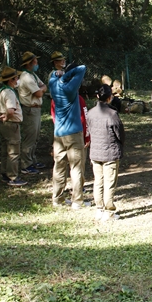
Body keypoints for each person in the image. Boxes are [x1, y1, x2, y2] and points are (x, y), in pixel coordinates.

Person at [49, 63, 89, 209]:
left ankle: (57, 199)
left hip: (58, 134)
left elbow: (52, 77)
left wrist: (59, 73)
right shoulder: (71, 90)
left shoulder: (53, 86)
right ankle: (77, 201)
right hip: (73, 133)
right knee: (76, 167)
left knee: (59, 166)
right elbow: (82, 68)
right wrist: (68, 74)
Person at [87, 84, 125, 221]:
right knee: (109, 182)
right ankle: (108, 211)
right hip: (110, 152)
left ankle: (99, 209)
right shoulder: (112, 114)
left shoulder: (90, 112)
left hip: (95, 152)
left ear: (98, 96)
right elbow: (119, 133)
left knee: (98, 181)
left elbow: (89, 130)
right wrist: (121, 143)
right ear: (110, 98)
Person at [0, 66, 27, 187]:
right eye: (16, 78)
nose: (18, 79)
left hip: (4, 125)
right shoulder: (9, 92)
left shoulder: (2, 91)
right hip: (11, 125)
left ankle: (4, 173)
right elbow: (10, 110)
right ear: (11, 80)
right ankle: (13, 177)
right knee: (13, 151)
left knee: (5, 149)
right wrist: (7, 118)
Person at [18, 51, 48, 174]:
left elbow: (44, 86)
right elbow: (39, 92)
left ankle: (32, 160)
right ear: (29, 63)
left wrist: (41, 88)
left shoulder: (33, 75)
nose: (37, 63)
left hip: (36, 109)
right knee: (30, 137)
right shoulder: (26, 77)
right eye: (35, 61)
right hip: (30, 109)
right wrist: (41, 89)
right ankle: (26, 164)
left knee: (35, 136)